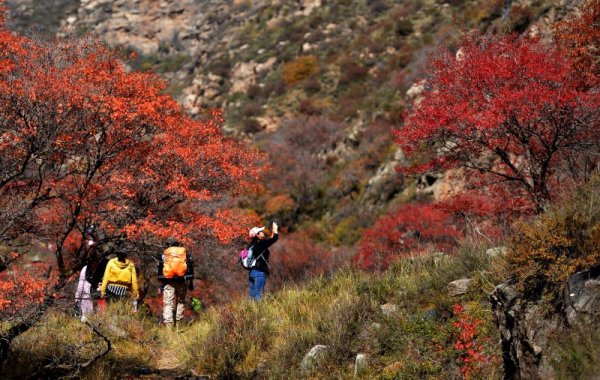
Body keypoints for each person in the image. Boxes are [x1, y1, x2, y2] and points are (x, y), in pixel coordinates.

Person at [157, 238, 194, 327]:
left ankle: (169, 326)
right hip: (182, 281)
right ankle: (178, 325)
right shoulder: (185, 254)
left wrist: (161, 283)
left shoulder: (163, 255)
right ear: (178, 245)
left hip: (168, 282)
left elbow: (159, 271)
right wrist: (191, 283)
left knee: (168, 303)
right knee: (181, 302)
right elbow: (191, 269)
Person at [247, 222, 279, 301]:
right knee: (258, 296)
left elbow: (269, 240)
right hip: (259, 273)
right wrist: (275, 228)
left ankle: (250, 312)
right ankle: (259, 312)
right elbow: (274, 238)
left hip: (252, 273)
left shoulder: (252, 245)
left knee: (252, 297)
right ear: (257, 235)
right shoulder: (261, 243)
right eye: (261, 231)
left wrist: (272, 231)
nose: (263, 232)